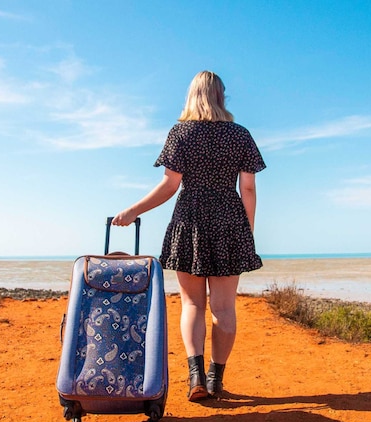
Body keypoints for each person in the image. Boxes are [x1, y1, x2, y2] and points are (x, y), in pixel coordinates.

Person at [112, 70, 266, 402]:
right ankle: (215, 379)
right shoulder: (240, 135)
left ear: (191, 95)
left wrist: (134, 210)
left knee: (192, 303)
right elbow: (249, 188)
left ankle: (195, 376)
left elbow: (170, 185)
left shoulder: (180, 132)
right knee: (224, 308)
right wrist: (246, 232)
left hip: (190, 220)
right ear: (221, 96)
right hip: (229, 220)